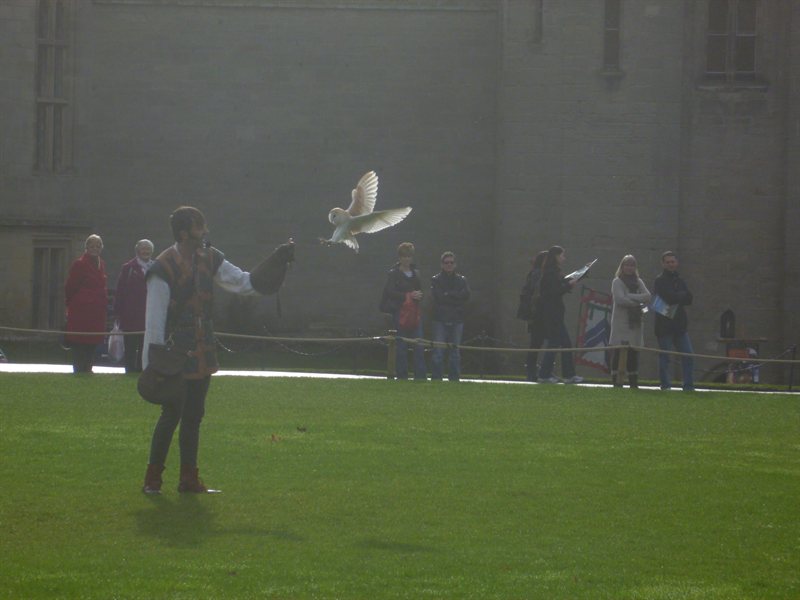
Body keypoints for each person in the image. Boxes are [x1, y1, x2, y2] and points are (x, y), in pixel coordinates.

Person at [141, 206, 294, 494]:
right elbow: (154, 321)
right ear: (184, 232)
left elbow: (245, 283)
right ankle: (152, 479)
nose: (205, 232)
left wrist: (277, 261)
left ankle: (188, 479)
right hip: (174, 353)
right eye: (200, 227)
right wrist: (152, 366)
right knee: (171, 414)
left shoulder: (210, 258)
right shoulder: (163, 267)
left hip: (202, 348)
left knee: (194, 416)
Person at [379, 242, 426, 380]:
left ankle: (420, 376)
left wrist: (418, 295)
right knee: (401, 346)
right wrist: (408, 295)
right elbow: (390, 291)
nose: (407, 259)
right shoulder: (394, 273)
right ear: (399, 257)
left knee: (419, 344)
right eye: (404, 256)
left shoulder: (416, 273)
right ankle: (402, 375)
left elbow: (420, 290)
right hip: (400, 313)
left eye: (409, 256)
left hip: (414, 312)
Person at [536, 245, 583, 384]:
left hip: (554, 312)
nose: (564, 258)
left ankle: (562, 374)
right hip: (552, 313)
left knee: (560, 343)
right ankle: (549, 374)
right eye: (562, 255)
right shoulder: (550, 272)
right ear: (556, 256)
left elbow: (561, 282)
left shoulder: (553, 272)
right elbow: (554, 292)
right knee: (557, 343)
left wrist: (580, 273)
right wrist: (569, 286)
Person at [64, 234, 108, 374]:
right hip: (81, 310)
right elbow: (70, 286)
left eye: (98, 246)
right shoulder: (80, 264)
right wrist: (72, 304)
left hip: (96, 311)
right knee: (79, 341)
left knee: (92, 340)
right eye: (92, 246)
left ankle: (88, 367)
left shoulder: (102, 263)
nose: (95, 249)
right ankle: (79, 368)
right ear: (86, 247)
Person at [653, 251, 694, 391]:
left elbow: (689, 299)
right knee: (665, 358)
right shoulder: (659, 280)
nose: (671, 264)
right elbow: (669, 298)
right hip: (664, 326)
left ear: (676, 263)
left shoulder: (680, 280)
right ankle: (665, 385)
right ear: (663, 264)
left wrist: (678, 296)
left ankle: (688, 386)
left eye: (673, 261)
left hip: (680, 326)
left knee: (688, 356)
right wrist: (680, 295)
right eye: (668, 262)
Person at [609, 255, 651, 388]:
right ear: (622, 266)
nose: (629, 267)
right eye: (626, 265)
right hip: (621, 323)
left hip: (636, 323)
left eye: (632, 265)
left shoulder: (639, 281)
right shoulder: (617, 282)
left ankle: (633, 382)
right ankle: (616, 381)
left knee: (633, 352)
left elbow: (648, 296)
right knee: (619, 352)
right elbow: (620, 300)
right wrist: (637, 302)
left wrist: (630, 296)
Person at [113, 239, 155, 373]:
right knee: (130, 345)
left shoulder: (156, 267)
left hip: (148, 314)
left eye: (148, 249)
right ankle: (130, 370)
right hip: (131, 314)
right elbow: (120, 290)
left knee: (145, 345)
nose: (145, 251)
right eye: (143, 248)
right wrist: (118, 312)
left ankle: (142, 370)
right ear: (137, 250)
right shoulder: (128, 268)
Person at [430, 251, 471, 382]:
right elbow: (438, 297)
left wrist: (449, 294)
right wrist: (455, 296)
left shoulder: (462, 280)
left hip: (457, 319)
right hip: (440, 319)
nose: (449, 265)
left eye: (451, 263)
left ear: (455, 264)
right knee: (438, 352)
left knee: (455, 352)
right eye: (446, 263)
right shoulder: (436, 279)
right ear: (442, 265)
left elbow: (466, 296)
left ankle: (454, 379)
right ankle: (437, 378)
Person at [522, 250, 548, 382]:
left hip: (537, 313)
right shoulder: (537, 274)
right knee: (535, 344)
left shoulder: (536, 274)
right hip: (537, 314)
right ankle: (532, 371)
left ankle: (535, 370)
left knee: (536, 344)